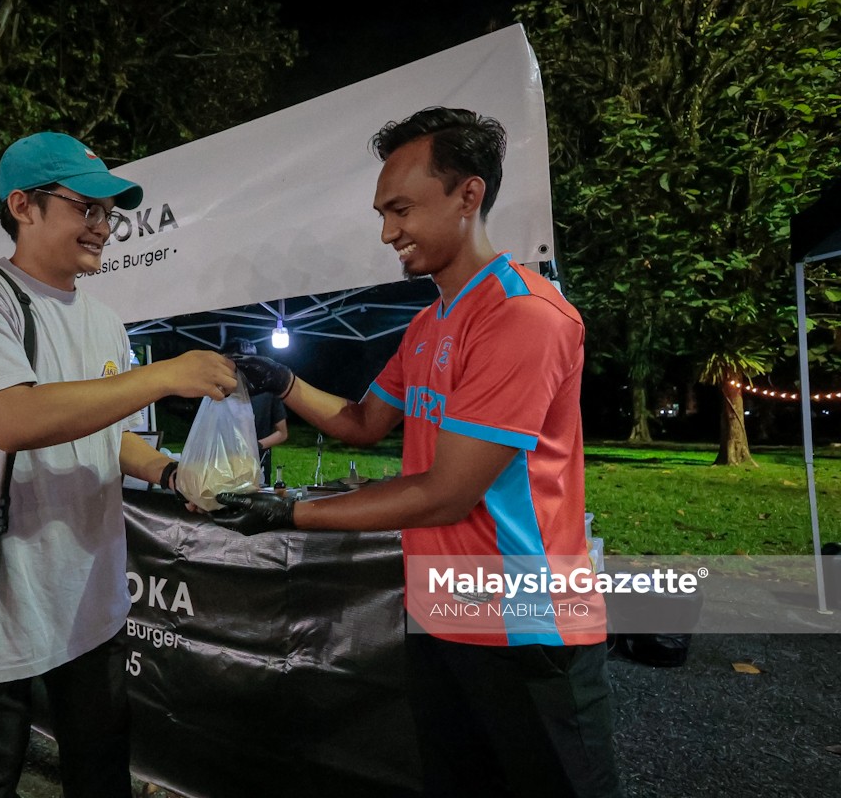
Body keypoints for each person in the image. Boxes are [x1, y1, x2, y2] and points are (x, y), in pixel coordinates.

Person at [213, 107, 621, 797]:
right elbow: (365, 422)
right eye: (381, 212)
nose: (387, 232)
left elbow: (445, 492)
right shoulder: (430, 322)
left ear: (469, 195)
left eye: (400, 209)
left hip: (528, 629)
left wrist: (289, 513)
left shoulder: (522, 316)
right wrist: (283, 381)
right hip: (441, 616)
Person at [0, 131, 237, 798]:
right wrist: (164, 377)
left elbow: (104, 432)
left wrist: (172, 473)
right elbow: (13, 418)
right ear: (23, 206)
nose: (102, 227)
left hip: (90, 596)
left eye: (107, 213)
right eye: (85, 208)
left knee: (100, 774)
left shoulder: (105, 322)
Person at [220, 337, 288, 485]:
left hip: (258, 464)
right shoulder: (219, 394)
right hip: (222, 465)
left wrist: (256, 445)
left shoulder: (267, 393)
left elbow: (282, 433)